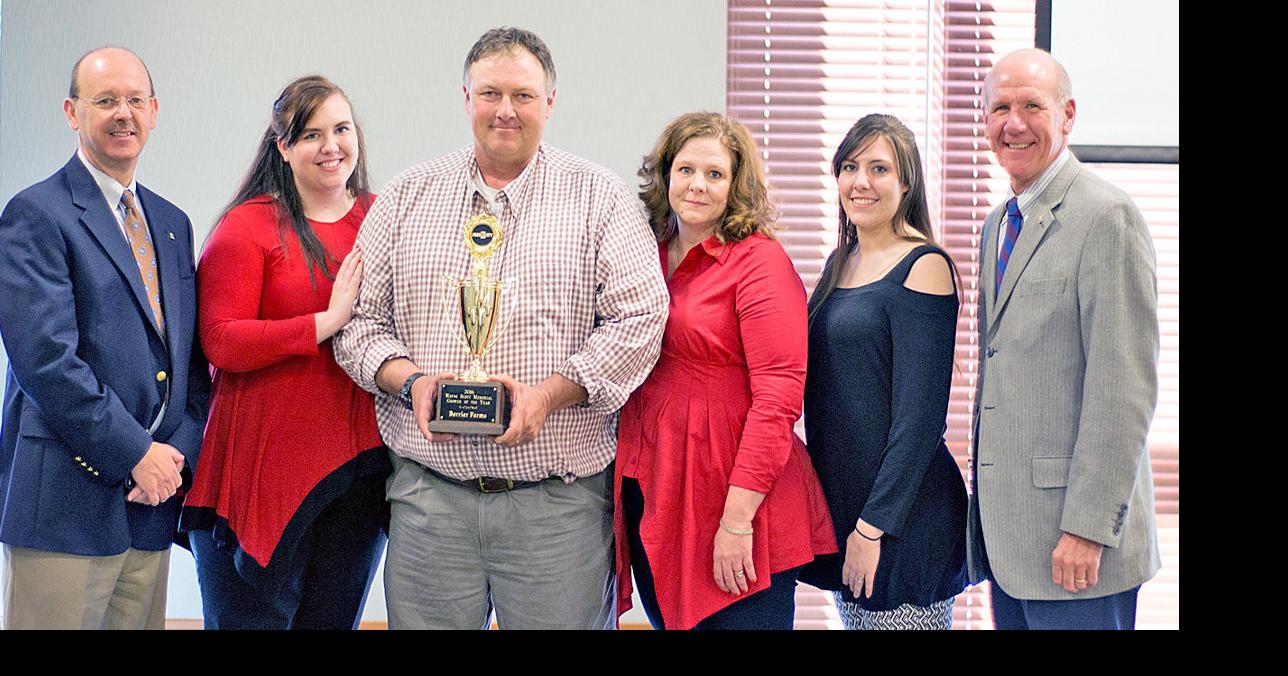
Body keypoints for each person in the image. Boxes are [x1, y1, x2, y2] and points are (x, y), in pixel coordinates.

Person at [333, 26, 668, 630]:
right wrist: (412, 384)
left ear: (550, 102)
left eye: (523, 95)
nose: (505, 110)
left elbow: (640, 319)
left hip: (557, 509)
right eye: (490, 93)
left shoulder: (600, 198)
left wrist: (548, 396)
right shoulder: (407, 196)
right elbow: (359, 324)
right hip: (429, 503)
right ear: (466, 98)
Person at [0, 46, 210, 630]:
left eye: (135, 100)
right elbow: (47, 363)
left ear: (154, 111)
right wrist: (136, 454)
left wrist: (175, 456)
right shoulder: (35, 214)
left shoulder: (171, 222)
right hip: (64, 506)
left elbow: (190, 361)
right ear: (72, 112)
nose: (124, 113)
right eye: (106, 100)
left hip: (151, 505)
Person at [178, 75, 388, 629]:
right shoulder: (246, 226)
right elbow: (221, 340)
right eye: (311, 134)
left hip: (357, 474)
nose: (331, 146)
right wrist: (325, 323)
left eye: (341, 129)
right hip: (260, 475)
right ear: (283, 147)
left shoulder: (380, 219)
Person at [615, 112, 836, 630]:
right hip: (657, 484)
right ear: (665, 174)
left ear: (736, 185)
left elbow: (778, 400)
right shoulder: (645, 252)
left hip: (735, 497)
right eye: (686, 169)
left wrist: (737, 522)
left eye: (714, 173)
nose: (697, 184)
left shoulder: (759, 262)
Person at [966, 48, 1160, 630]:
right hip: (1011, 546)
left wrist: (1087, 528)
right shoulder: (998, 224)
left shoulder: (1107, 216)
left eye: (1032, 106)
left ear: (1068, 114)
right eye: (1000, 108)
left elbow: (1123, 392)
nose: (1013, 124)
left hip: (1077, 549)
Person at [796, 114, 967, 630]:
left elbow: (919, 423)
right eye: (850, 167)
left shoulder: (924, 265)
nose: (861, 182)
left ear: (906, 183)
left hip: (901, 524)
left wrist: (872, 529)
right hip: (848, 513)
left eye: (879, 168)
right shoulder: (840, 261)